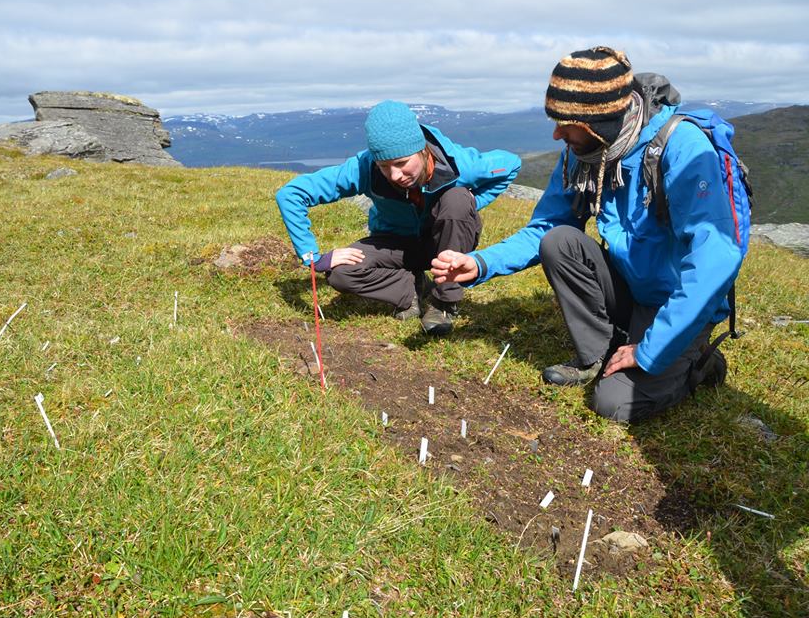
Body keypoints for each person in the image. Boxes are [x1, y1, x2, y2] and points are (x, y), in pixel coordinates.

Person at [432, 46, 745, 422]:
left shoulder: (682, 147)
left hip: (678, 302)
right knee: (559, 241)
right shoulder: (582, 155)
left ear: (603, 120)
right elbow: (547, 227)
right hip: (630, 285)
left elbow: (716, 259)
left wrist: (650, 350)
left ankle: (700, 364)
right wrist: (480, 263)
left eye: (568, 123)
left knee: (613, 404)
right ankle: (596, 354)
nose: (556, 134)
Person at [275, 100, 521, 335]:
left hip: (445, 242)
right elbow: (291, 194)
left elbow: (511, 164)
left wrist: (474, 201)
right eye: (384, 166)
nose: (395, 175)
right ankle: (410, 289)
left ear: (423, 151)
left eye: (402, 163)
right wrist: (313, 258)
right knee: (341, 273)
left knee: (456, 200)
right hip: (394, 243)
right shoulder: (364, 167)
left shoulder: (459, 164)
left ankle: (444, 302)